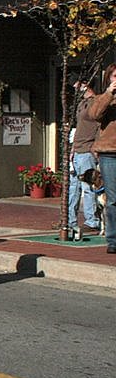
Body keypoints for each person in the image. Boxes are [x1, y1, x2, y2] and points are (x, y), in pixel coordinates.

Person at [87, 63, 116, 254]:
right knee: (112, 199)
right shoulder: (103, 98)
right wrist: (109, 93)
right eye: (115, 76)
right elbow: (94, 114)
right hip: (109, 153)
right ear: (108, 79)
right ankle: (113, 240)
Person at [68, 79, 101, 233]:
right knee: (73, 187)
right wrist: (73, 148)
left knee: (87, 187)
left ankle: (92, 221)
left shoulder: (96, 102)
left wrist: (95, 147)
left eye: (77, 84)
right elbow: (79, 127)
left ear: (86, 83)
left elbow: (100, 126)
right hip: (77, 149)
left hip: (88, 150)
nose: (75, 88)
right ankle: (70, 220)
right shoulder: (81, 104)